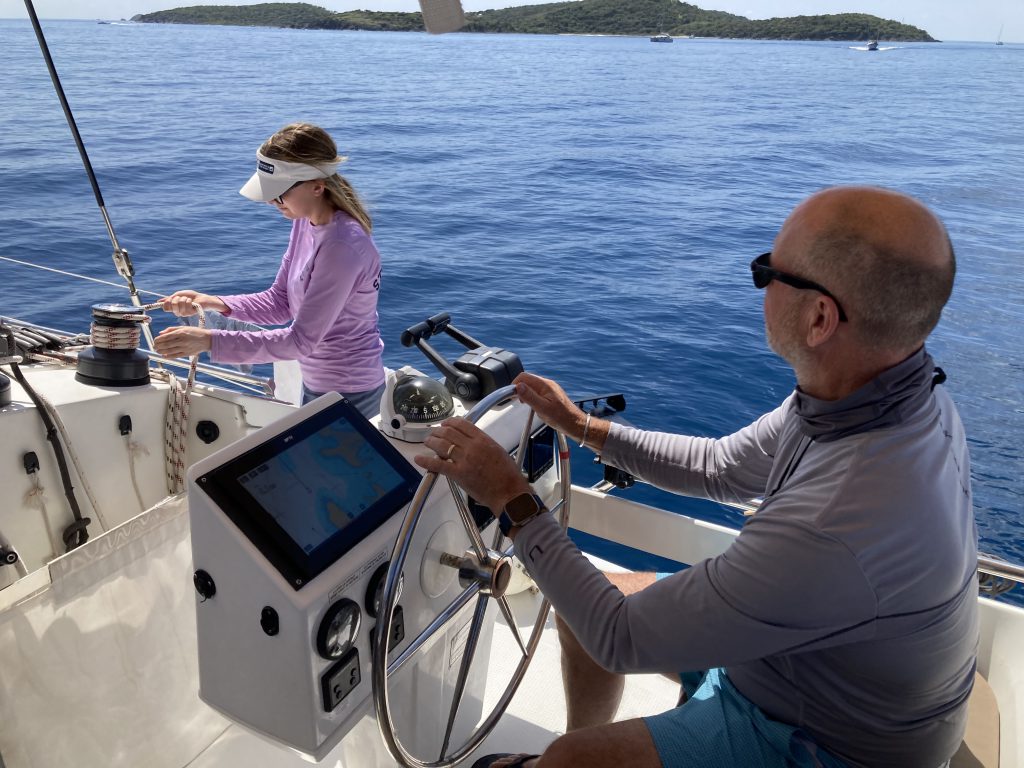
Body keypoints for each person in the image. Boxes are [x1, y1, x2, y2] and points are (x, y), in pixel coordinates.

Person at [416, 186, 977, 768]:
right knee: (577, 616)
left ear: (819, 317)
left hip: (830, 739)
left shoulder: (838, 519)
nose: (759, 281)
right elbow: (724, 468)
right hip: (811, 666)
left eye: (768, 271)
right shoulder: (879, 395)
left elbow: (619, 635)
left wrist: (510, 496)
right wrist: (581, 426)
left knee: (567, 754)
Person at [154, 122, 386, 419]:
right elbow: (280, 302)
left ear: (317, 186)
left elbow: (299, 341)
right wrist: (212, 302)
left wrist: (208, 341)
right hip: (318, 383)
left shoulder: (342, 247)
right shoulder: (305, 221)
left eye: (279, 194)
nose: (270, 201)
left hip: (351, 392)